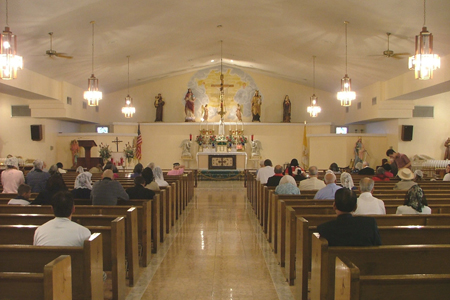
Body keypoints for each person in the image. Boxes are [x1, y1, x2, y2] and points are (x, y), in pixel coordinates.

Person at [317, 188, 382, 246]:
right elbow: (378, 247)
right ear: (355, 207)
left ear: (334, 206)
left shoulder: (324, 229)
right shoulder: (370, 224)